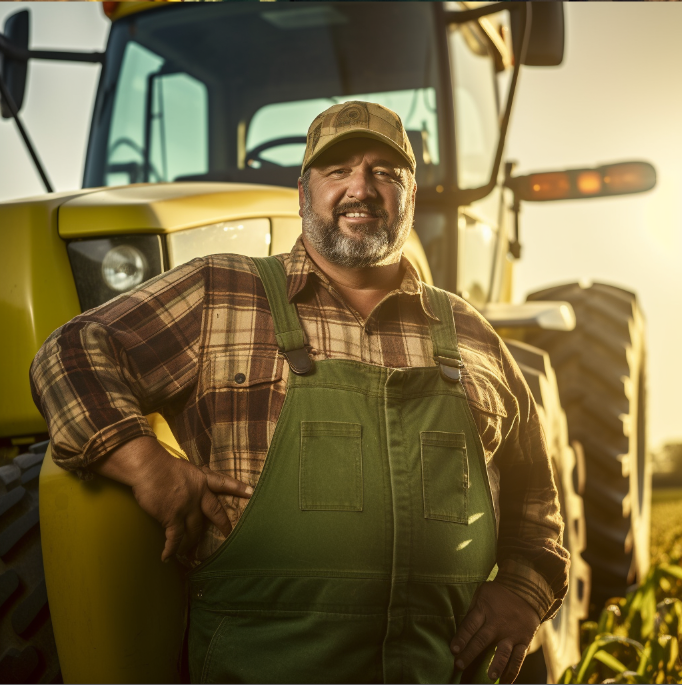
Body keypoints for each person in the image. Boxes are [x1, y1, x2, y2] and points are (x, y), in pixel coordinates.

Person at [30, 101, 569, 684]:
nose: (360, 188)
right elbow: (69, 352)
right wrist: (145, 465)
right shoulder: (222, 292)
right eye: (336, 170)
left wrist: (521, 590)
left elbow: (536, 509)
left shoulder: (472, 335)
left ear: (410, 193)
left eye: (385, 172)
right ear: (304, 189)